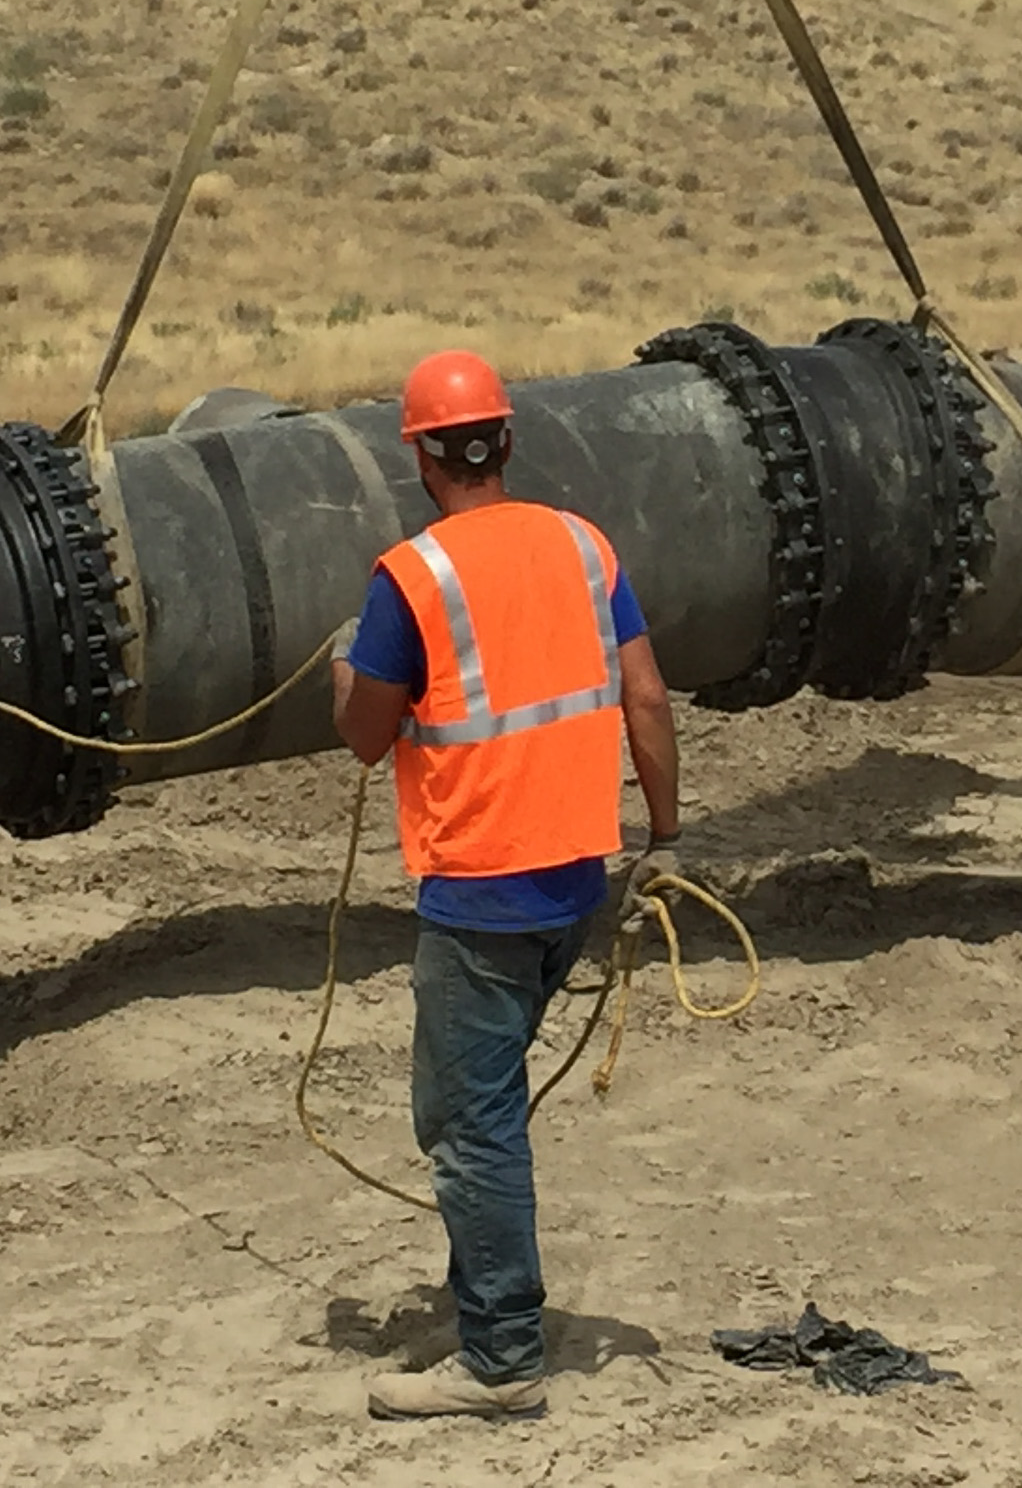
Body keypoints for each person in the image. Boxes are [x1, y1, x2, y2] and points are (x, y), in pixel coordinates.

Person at [331, 347, 681, 1423]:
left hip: (479, 891)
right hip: (573, 883)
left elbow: (362, 735)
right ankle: (481, 1297)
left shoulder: (412, 579)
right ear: (506, 443)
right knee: (472, 1111)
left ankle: (502, 1359)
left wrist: (347, 665)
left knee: (472, 1126)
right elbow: (650, 698)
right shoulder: (584, 548)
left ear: (425, 457)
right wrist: (663, 838)